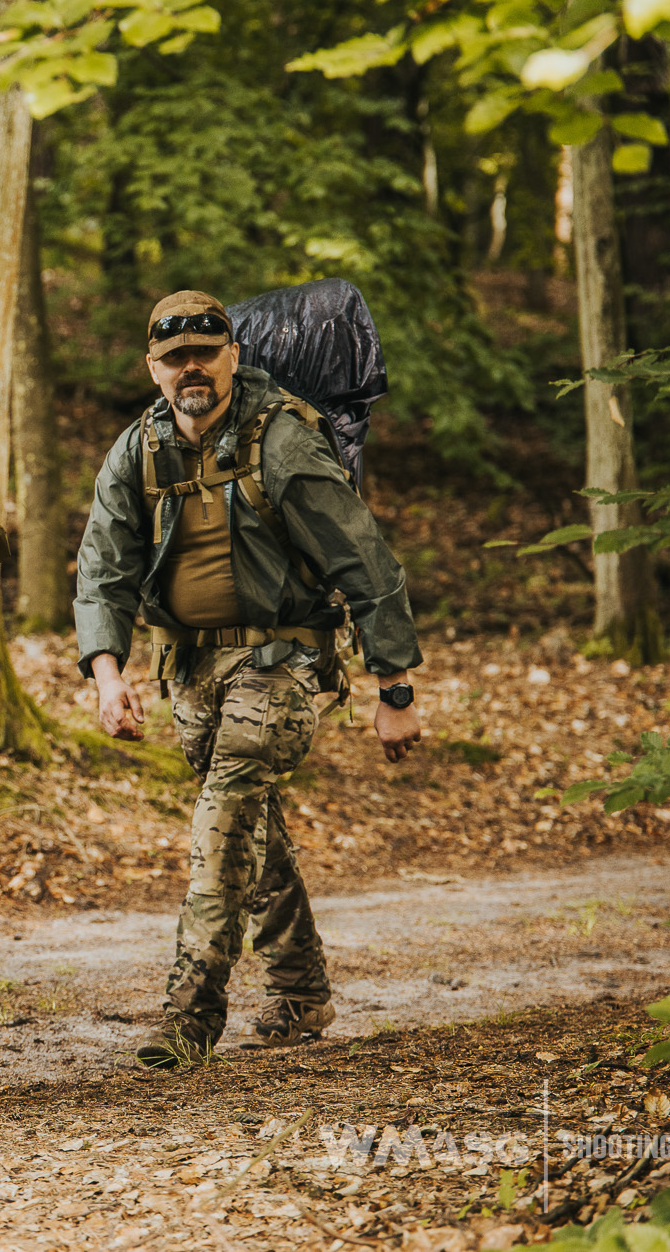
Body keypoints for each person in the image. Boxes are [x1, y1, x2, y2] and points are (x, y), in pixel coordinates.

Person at [74, 290, 424, 1064]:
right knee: (251, 833)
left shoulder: (284, 440)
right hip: (192, 670)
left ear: (234, 355)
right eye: (175, 358)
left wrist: (393, 688)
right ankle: (302, 993)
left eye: (206, 351)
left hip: (282, 660)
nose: (190, 367)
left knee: (226, 810)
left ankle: (189, 1014)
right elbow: (103, 567)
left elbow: (365, 561)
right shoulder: (138, 449)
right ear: (154, 369)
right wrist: (108, 673)